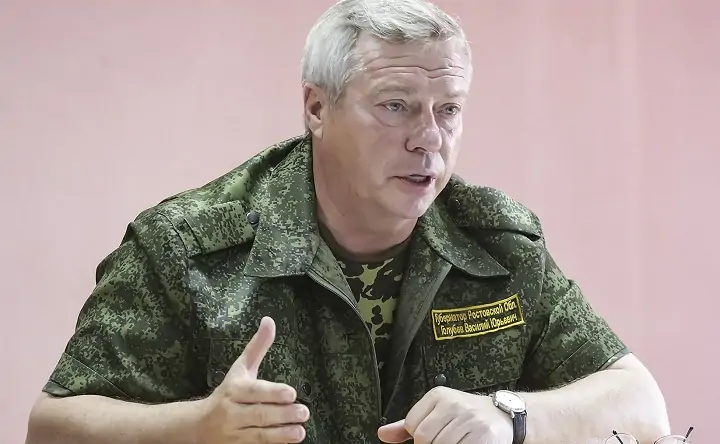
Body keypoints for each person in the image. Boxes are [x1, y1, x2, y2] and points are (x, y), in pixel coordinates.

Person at [25, 0, 672, 443]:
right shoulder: (190, 246)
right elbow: (50, 426)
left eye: (449, 109)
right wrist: (195, 428)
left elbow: (641, 405)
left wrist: (512, 417)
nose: (429, 138)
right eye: (396, 106)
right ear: (316, 107)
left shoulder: (497, 242)